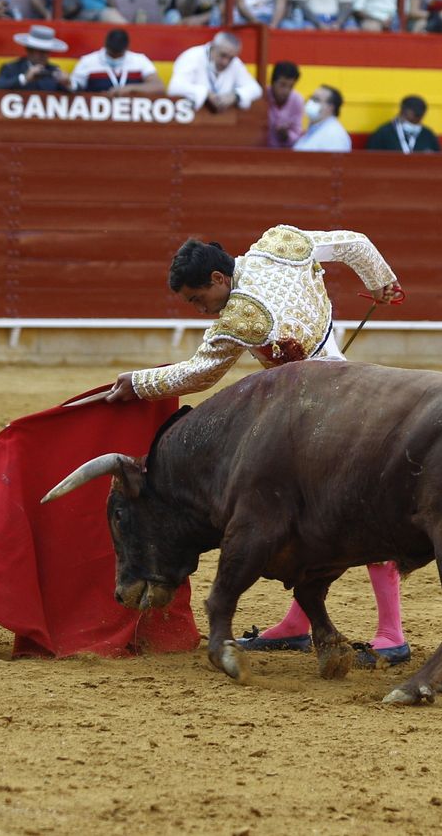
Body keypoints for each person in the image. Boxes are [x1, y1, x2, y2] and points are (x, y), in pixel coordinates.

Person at [103, 228, 409, 666]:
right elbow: (355, 243)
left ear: (218, 279)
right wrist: (382, 283)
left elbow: (199, 374)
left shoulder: (241, 319)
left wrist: (139, 381)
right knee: (316, 523)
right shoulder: (280, 245)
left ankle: (391, 634)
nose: (201, 310)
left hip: (317, 419)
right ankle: (299, 624)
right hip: (349, 383)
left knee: (356, 511)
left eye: (196, 299)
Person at [166, 31, 262, 111]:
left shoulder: (235, 63)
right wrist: (206, 94)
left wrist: (235, 96)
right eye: (223, 55)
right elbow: (174, 87)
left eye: (231, 58)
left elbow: (256, 89)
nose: (226, 62)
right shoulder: (192, 56)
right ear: (213, 47)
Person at [69, 29, 164, 94]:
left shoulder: (140, 61)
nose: (115, 58)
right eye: (112, 54)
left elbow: (158, 87)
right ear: (106, 46)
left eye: (119, 55)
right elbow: (74, 87)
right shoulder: (88, 61)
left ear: (127, 48)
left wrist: (131, 89)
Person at [0, 24, 69, 92]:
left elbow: (69, 98)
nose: (44, 55)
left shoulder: (53, 70)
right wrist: (24, 78)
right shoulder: (11, 68)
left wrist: (67, 83)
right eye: (40, 51)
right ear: (29, 50)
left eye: (46, 51)